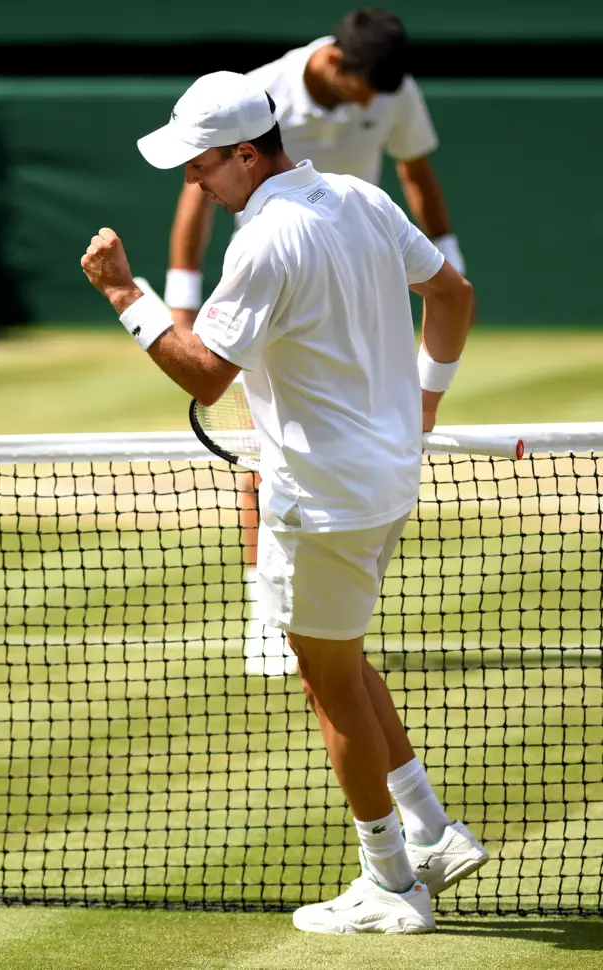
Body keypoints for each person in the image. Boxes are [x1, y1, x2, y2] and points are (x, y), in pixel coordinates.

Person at [81, 69, 488, 935]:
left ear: (243, 154)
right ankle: (431, 831)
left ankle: (391, 883)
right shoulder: (359, 198)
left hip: (323, 497)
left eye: (200, 165)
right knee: (341, 657)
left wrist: (126, 295)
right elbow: (452, 296)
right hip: (383, 484)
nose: (192, 180)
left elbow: (203, 372)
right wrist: (425, 403)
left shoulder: (263, 241)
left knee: (326, 683)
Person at [164, 7, 467, 677]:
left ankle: (311, 619)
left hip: (349, 259)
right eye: (366, 91)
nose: (376, 105)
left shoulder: (391, 89)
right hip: (264, 279)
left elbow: (418, 175)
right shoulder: (258, 96)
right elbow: (195, 199)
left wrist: (450, 267)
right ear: (335, 64)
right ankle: (264, 616)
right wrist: (180, 310)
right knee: (259, 449)